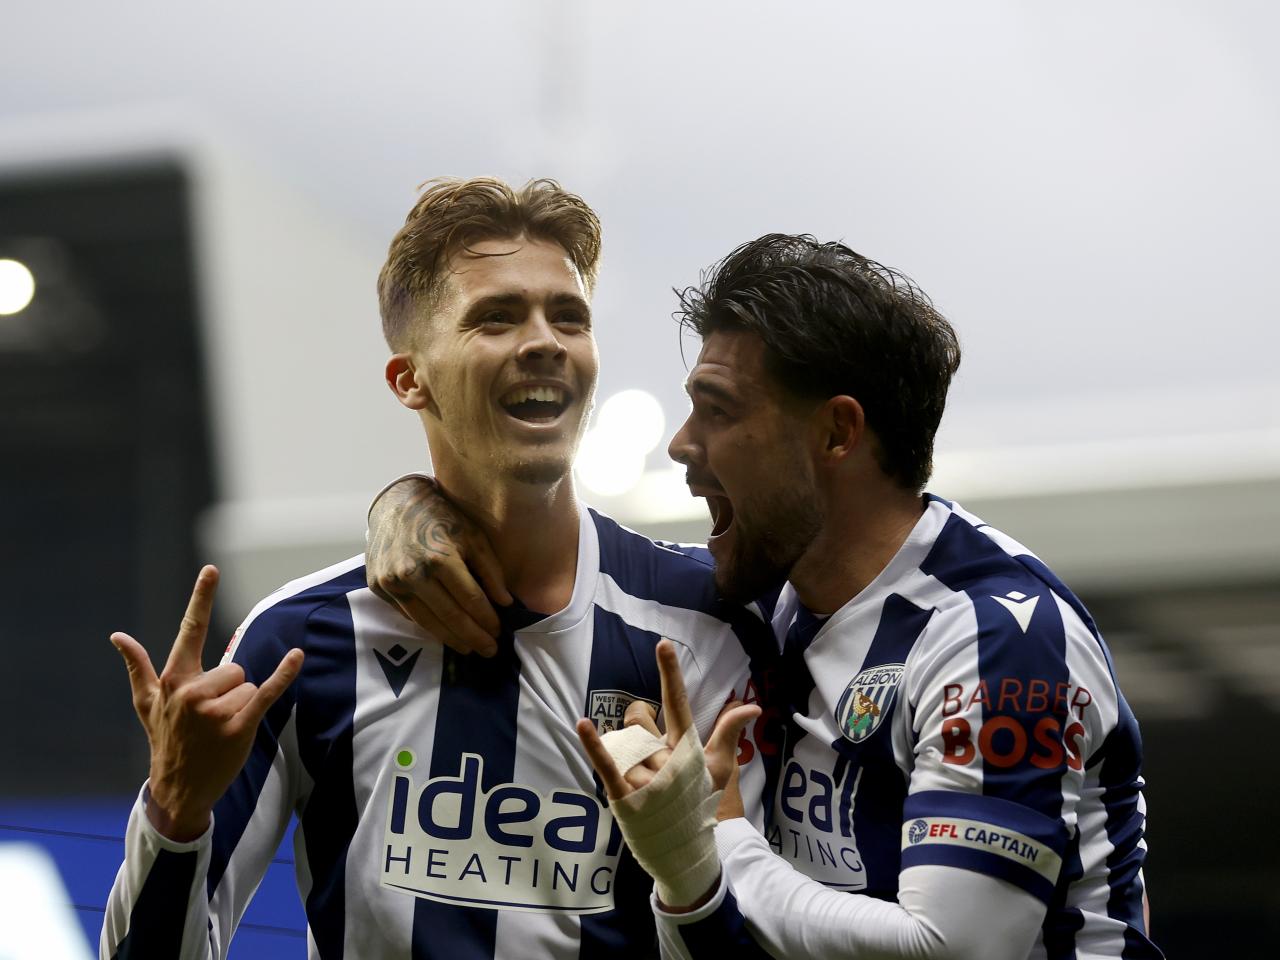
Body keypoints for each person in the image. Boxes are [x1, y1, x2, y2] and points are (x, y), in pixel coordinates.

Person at [368, 235, 1162, 959]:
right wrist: (408, 505)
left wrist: (717, 840)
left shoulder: (995, 637)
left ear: (835, 434)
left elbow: (954, 951)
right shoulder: (766, 603)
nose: (681, 444)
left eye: (718, 410)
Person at [99, 178, 775, 960]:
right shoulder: (304, 639)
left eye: (569, 316)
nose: (545, 340)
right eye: (496, 317)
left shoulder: (705, 622)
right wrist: (175, 811)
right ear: (409, 379)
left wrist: (689, 873)